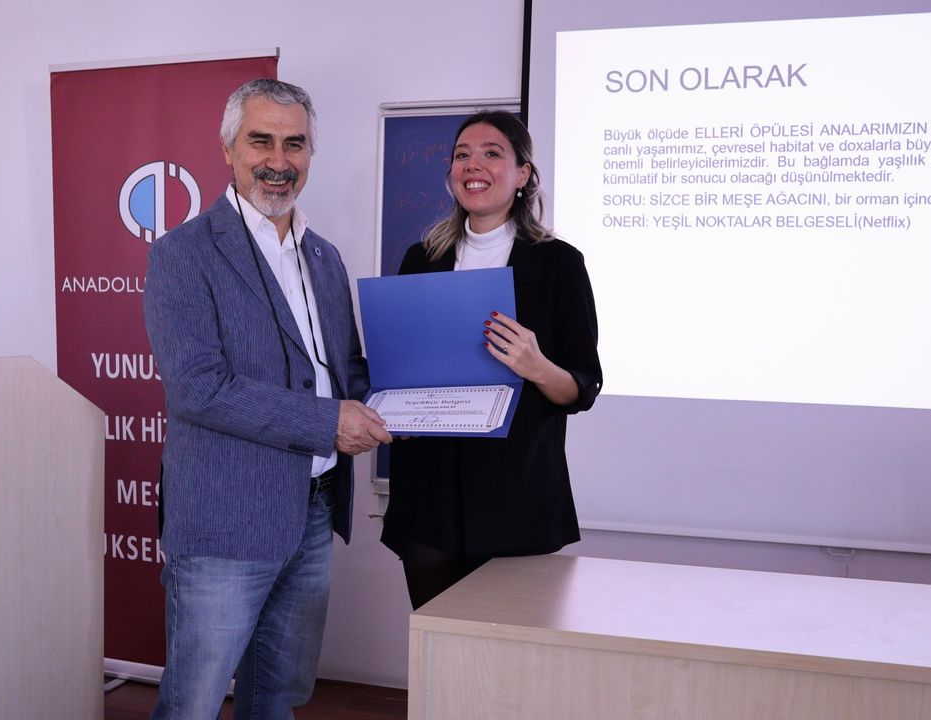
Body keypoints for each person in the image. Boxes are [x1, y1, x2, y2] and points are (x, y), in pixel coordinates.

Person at [143, 78, 391, 719]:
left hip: (314, 512)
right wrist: (329, 421)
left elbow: (345, 371)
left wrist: (403, 404)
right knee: (193, 704)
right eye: (261, 141)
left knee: (278, 698)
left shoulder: (325, 258)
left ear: (311, 153)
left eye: (295, 144)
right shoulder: (183, 254)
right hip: (225, 518)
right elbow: (199, 389)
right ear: (228, 148)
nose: (278, 161)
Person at [381, 110, 602, 610]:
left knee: (509, 652)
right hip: (430, 495)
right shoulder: (421, 259)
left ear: (522, 174)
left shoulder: (559, 264)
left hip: (516, 497)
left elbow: (583, 388)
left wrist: (535, 364)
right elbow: (402, 371)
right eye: (462, 155)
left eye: (491, 153)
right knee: (436, 643)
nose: (473, 165)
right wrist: (395, 411)